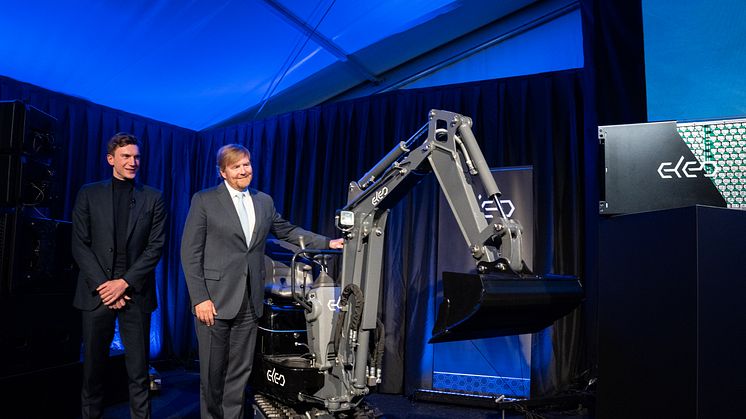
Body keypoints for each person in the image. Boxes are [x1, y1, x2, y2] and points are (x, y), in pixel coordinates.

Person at [181, 144, 343, 419]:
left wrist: (327, 241)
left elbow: (287, 231)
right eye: (236, 167)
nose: (244, 170)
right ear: (223, 172)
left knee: (240, 371)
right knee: (212, 372)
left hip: (250, 299)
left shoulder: (263, 201)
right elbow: (190, 251)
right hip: (214, 300)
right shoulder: (204, 200)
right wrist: (200, 298)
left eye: (246, 164)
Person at [71, 132, 167, 419]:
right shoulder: (89, 193)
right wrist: (105, 286)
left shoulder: (154, 197)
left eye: (136, 156)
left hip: (135, 294)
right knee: (92, 372)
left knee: (138, 373)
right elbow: (79, 243)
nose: (133, 161)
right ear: (111, 159)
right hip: (96, 293)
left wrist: (123, 283)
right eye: (126, 156)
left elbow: (156, 247)